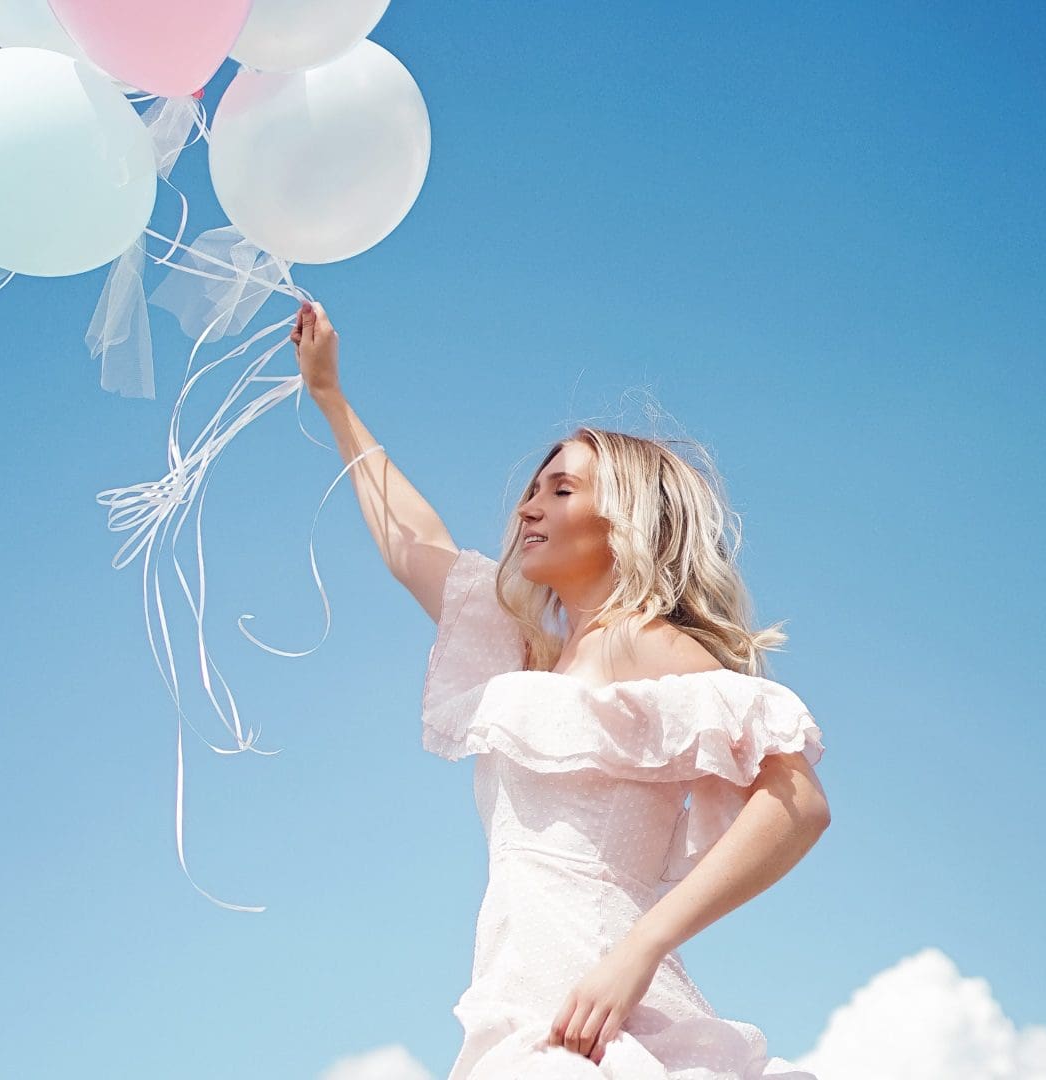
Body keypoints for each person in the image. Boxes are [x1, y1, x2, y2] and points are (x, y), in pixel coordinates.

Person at [291, 300, 831, 1077]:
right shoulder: (529, 651)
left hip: (593, 1011)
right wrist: (332, 398)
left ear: (626, 520)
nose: (527, 506)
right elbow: (414, 544)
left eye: (560, 490)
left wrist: (642, 947)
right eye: (532, 490)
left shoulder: (647, 642)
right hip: (523, 996)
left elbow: (799, 804)